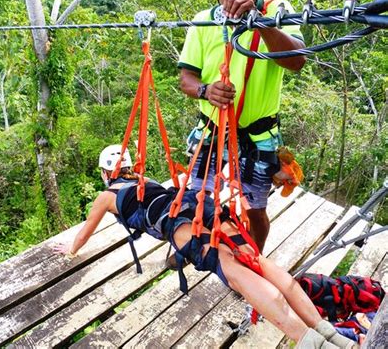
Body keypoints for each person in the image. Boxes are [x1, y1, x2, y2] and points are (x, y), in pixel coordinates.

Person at [54, 145, 357, 348]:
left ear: (107, 173)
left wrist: (70, 249)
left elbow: (83, 235)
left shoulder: (106, 197)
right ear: (131, 168)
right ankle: (328, 333)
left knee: (235, 272)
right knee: (253, 259)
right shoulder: (145, 179)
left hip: (179, 223)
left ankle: (311, 342)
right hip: (196, 205)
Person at [178, 0, 307, 252]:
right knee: (198, 196)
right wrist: (205, 90)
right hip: (212, 129)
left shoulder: (277, 10)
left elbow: (296, 61)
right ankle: (193, 245)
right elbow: (186, 78)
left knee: (255, 208)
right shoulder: (204, 21)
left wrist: (258, 20)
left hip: (258, 135)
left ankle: (254, 256)